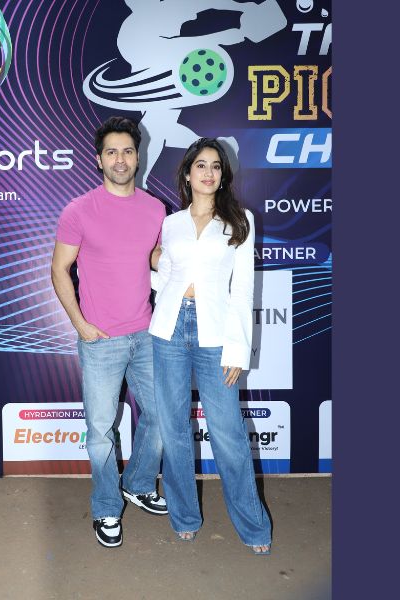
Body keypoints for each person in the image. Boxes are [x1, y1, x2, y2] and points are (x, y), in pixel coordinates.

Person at [149, 138, 272, 554]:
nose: (208, 172)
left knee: (229, 434)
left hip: (215, 334)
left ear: (223, 175)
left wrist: (238, 350)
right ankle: (184, 516)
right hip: (168, 329)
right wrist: (145, 271)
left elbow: (243, 290)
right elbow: (166, 275)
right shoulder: (171, 223)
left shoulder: (240, 221)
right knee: (173, 429)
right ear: (187, 174)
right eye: (200, 165)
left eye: (215, 166)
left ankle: (254, 527)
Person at [51, 116, 168, 548]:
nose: (120, 159)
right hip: (100, 341)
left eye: (128, 151)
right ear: (99, 159)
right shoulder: (79, 210)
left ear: (139, 157)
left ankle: (137, 484)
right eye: (112, 152)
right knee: (100, 432)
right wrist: (81, 325)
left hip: (147, 335)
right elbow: (59, 269)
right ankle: (105, 507)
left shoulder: (155, 209)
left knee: (163, 416)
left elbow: (153, 257)